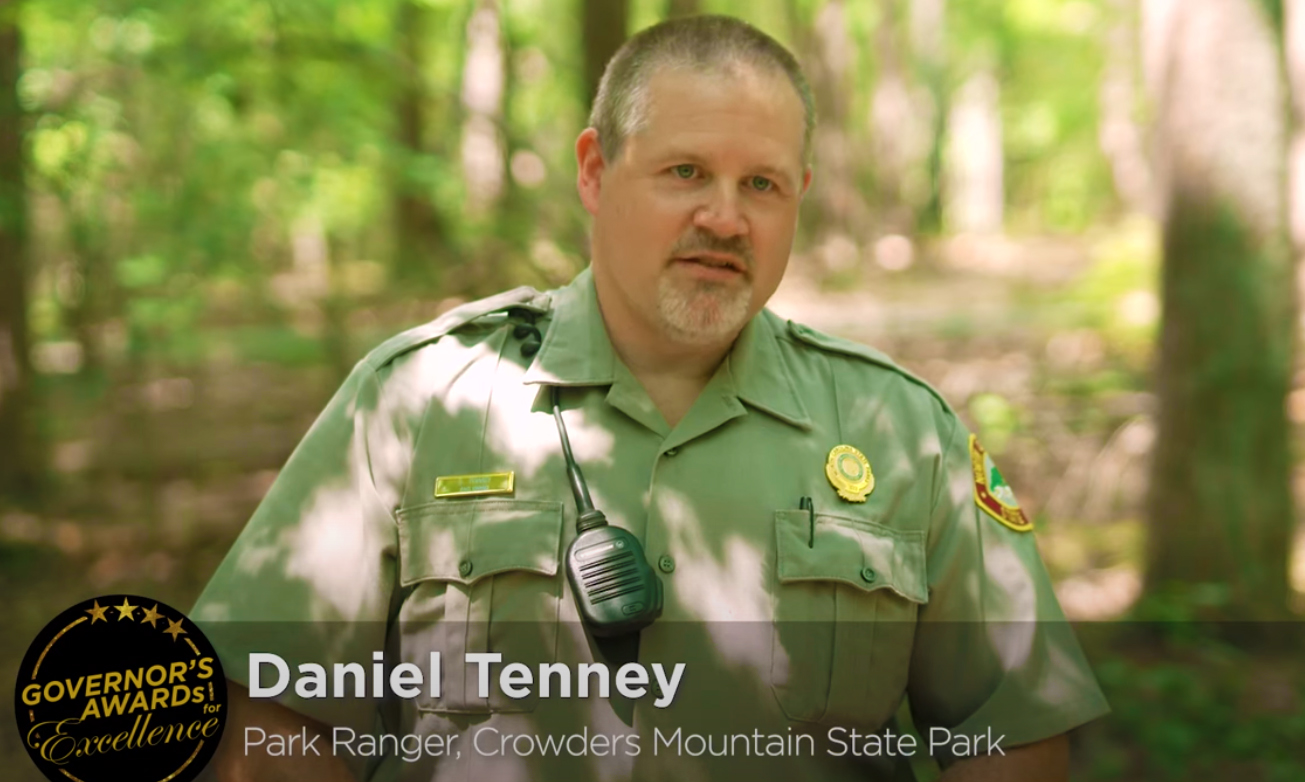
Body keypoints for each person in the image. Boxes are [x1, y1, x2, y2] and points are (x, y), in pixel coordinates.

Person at [195, 14, 1108, 782]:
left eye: (762, 184)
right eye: (684, 173)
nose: (724, 217)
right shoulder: (420, 401)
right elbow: (266, 709)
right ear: (594, 171)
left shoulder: (903, 433)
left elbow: (1013, 730)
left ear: (800, 199)